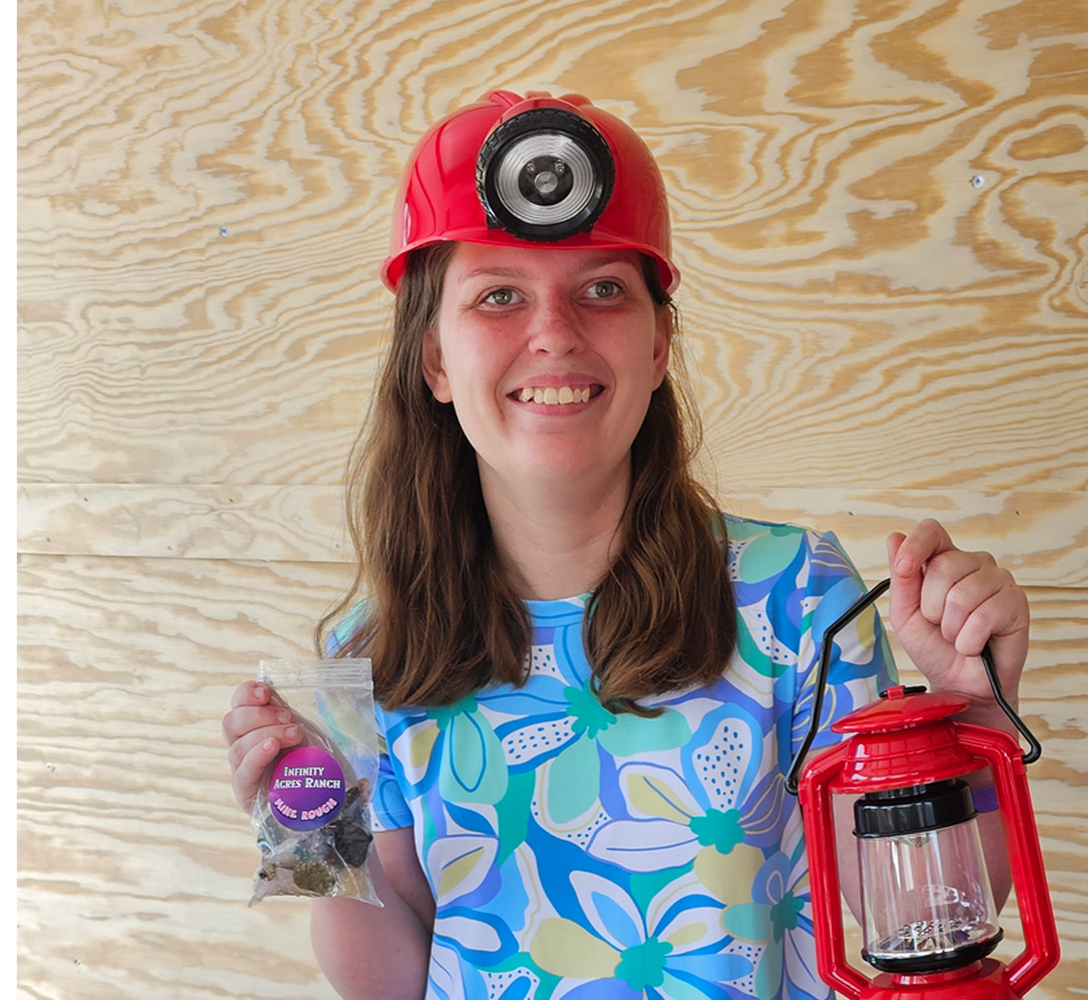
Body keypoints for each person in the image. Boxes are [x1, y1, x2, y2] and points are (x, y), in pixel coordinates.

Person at [223, 90, 1030, 1000]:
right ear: (435, 359)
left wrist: (977, 716)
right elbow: (391, 986)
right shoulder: (374, 651)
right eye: (498, 296)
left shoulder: (799, 598)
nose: (554, 334)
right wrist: (314, 833)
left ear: (658, 345)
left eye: (603, 289)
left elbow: (912, 920)